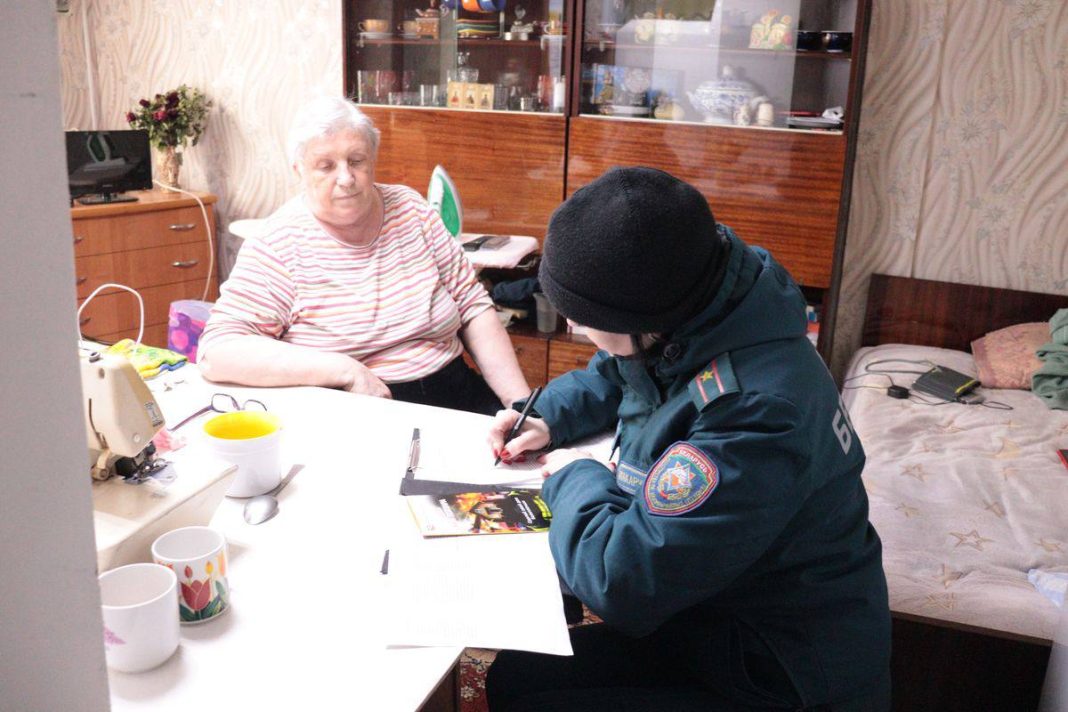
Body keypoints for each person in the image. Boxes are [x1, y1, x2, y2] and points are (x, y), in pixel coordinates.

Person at [485, 167, 891, 711]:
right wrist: (544, 417)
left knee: (536, 701)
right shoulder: (705, 304)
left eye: (581, 317)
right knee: (514, 677)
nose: (575, 329)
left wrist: (575, 476)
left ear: (640, 320)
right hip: (717, 609)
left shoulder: (755, 415)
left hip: (780, 668)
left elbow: (621, 582)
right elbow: (620, 373)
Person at [198, 96, 529, 414]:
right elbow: (218, 351)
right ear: (299, 170)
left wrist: (521, 405)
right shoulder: (278, 243)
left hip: (454, 388)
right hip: (355, 407)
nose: (346, 179)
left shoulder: (411, 210)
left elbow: (472, 307)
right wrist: (344, 369)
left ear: (373, 159)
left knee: (529, 447)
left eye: (356, 161)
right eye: (325, 166)